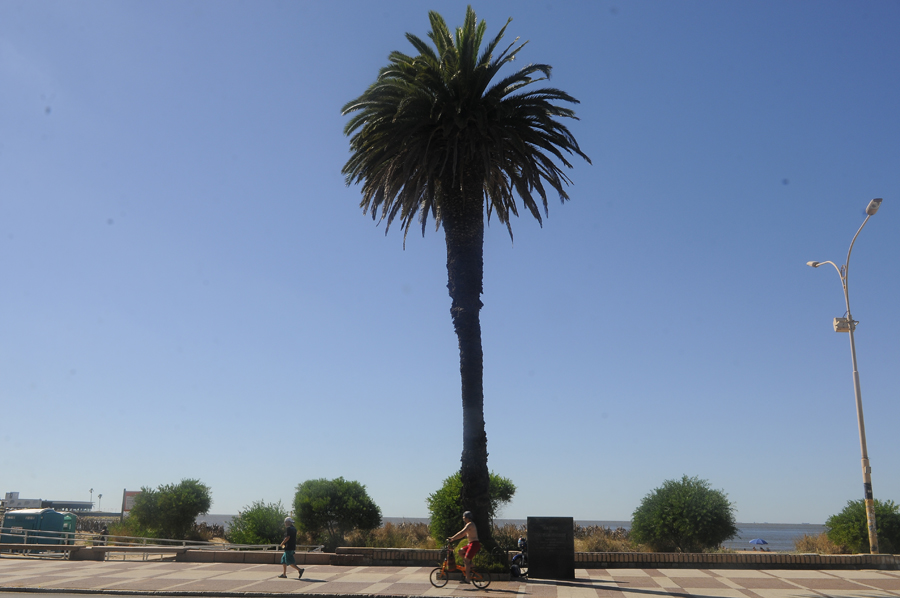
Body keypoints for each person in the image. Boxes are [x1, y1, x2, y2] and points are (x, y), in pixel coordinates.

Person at [448, 511, 480, 584]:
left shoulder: (470, 524)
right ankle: (471, 565)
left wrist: (452, 538)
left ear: (468, 518)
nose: (463, 519)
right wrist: (453, 538)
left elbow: (462, 533)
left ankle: (467, 579)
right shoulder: (468, 524)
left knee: (466, 560)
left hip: (474, 544)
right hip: (470, 544)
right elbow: (462, 534)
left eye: (464, 518)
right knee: (460, 551)